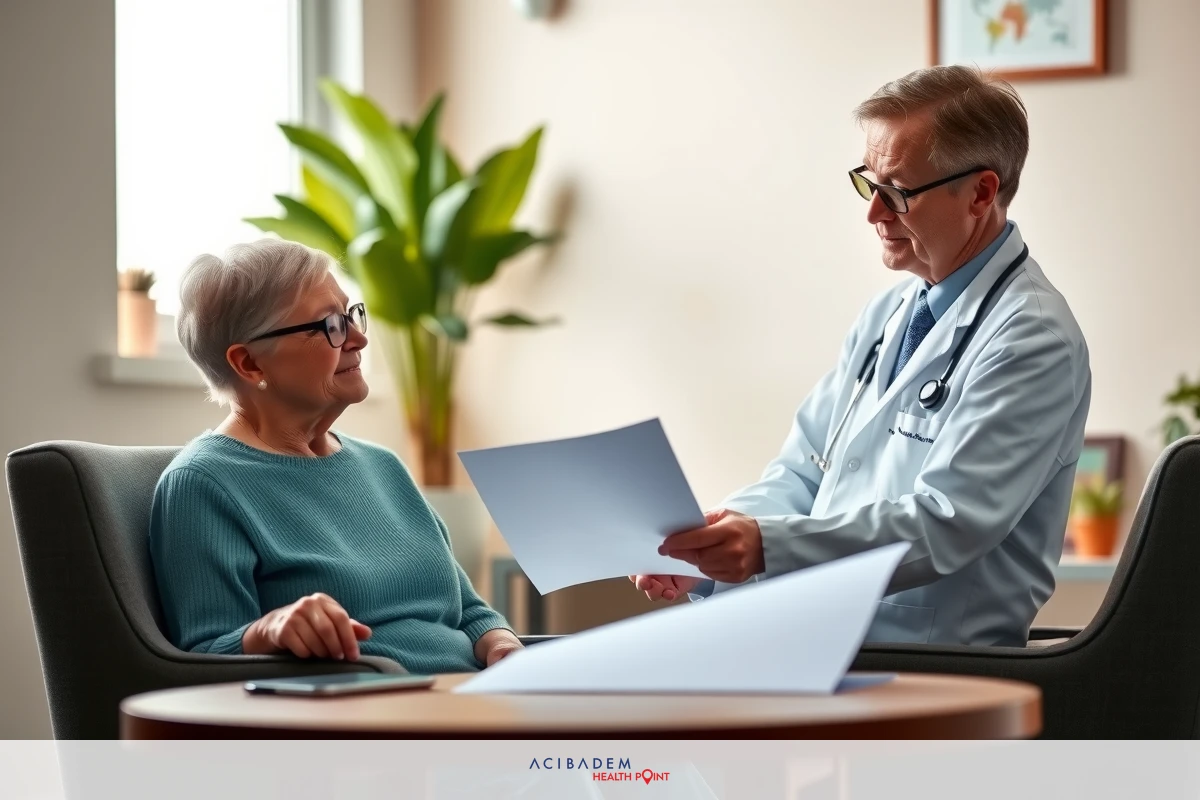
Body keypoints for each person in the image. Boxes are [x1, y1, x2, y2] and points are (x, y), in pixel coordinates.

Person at [633, 65, 1091, 647]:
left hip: (934, 664)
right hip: (826, 640)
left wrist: (766, 548)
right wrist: (704, 545)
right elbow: (803, 474)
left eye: (897, 192)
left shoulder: (1031, 337)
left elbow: (947, 524)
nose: (874, 213)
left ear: (981, 192)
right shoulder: (889, 314)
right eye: (868, 184)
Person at [150, 239, 521, 673]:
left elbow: (471, 614)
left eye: (351, 315)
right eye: (330, 325)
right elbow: (201, 660)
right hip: (376, 726)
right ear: (250, 363)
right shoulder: (202, 484)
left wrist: (501, 643)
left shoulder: (383, 466)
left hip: (473, 707)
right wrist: (270, 630)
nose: (359, 338)